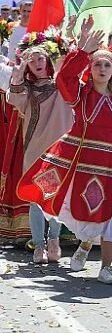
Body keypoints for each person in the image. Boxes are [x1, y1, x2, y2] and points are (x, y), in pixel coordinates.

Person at [17, 20, 112, 284]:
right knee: (89, 209)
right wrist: (82, 51)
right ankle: (85, 244)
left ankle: (106, 268)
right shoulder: (80, 95)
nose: (102, 68)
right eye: (97, 64)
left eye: (107, 65)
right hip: (81, 159)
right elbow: (63, 78)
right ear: (90, 70)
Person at [5, 39, 73, 263]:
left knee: (55, 197)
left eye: (40, 58)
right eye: (31, 60)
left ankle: (53, 240)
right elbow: (14, 98)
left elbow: (72, 72)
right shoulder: (27, 90)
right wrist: (18, 73)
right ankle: (39, 246)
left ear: (49, 61)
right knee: (36, 199)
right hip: (35, 149)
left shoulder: (61, 84)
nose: (36, 62)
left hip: (59, 150)